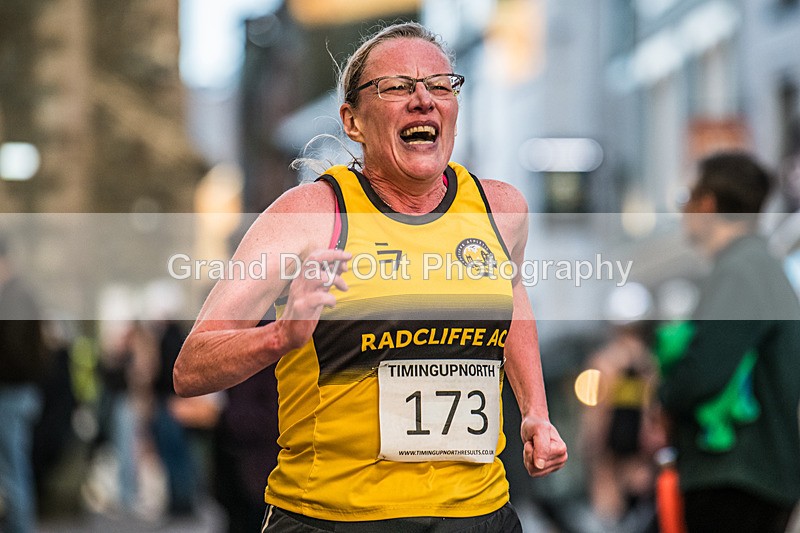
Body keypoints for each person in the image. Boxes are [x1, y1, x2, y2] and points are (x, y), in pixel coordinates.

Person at [174, 22, 567, 532]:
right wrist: (279, 336)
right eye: (397, 87)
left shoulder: (501, 209)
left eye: (440, 85)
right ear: (352, 121)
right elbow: (190, 369)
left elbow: (511, 299)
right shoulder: (311, 214)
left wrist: (535, 410)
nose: (423, 100)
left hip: (478, 514)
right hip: (335, 518)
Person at [658, 152, 800, 533]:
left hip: (735, 473)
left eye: (687, 198)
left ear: (708, 204)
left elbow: (704, 371)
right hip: (757, 474)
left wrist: (665, 395)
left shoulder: (740, 270)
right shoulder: (758, 265)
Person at [0, 234, 47, 533]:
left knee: (12, 470)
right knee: (13, 468)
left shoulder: (13, 296)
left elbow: (15, 352)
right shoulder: (19, 294)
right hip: (20, 392)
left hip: (12, 393)